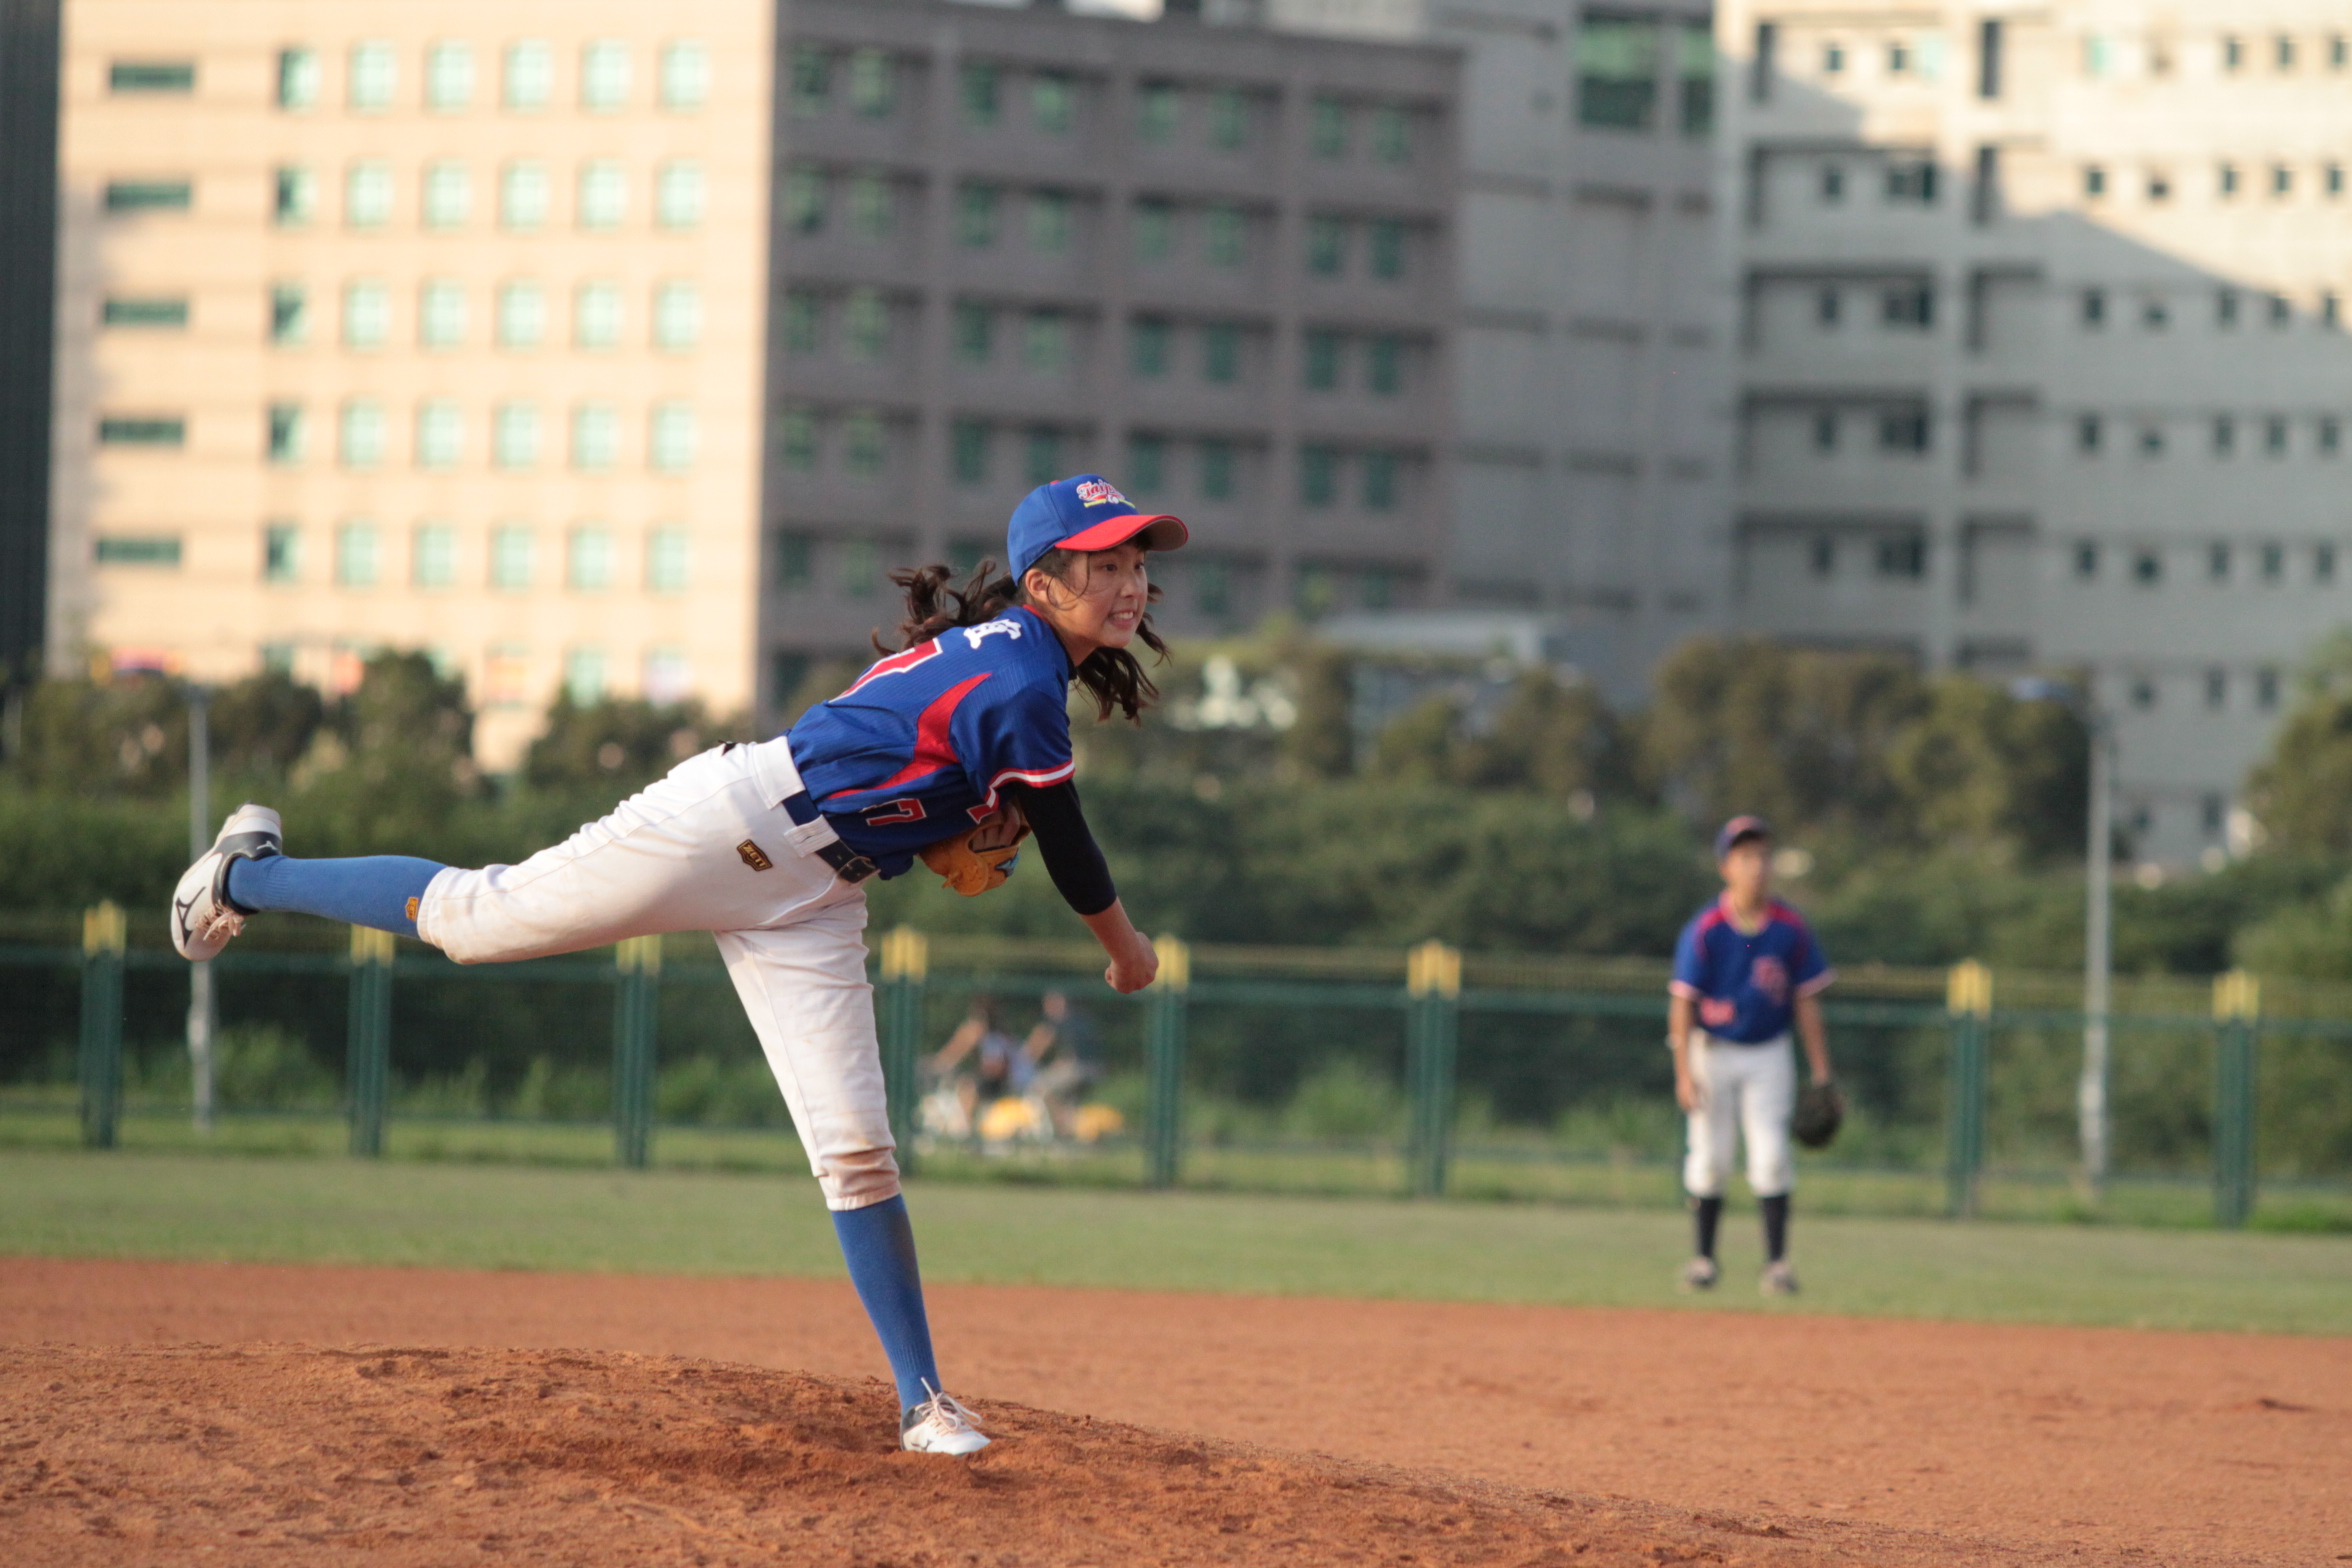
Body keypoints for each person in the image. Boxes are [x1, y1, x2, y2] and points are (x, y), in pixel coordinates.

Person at [166, 474, 1186, 1453]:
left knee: (857, 1151)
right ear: (1042, 582)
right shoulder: (1019, 676)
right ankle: (247, 874)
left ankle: (923, 1403)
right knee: (478, 919)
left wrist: (937, 817)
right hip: (730, 826)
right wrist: (1127, 950)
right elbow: (1069, 843)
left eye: (1136, 561)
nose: (1130, 581)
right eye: (1103, 563)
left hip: (818, 896)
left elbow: (918, 774)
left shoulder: (1018, 663)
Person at [1667, 815, 1835, 1297]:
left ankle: (1777, 1265)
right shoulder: (1706, 929)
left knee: (1773, 1158)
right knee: (1709, 1157)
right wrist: (1683, 1072)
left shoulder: (1789, 928)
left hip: (1768, 1052)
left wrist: (1822, 1073)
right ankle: (1703, 1261)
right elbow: (1682, 1003)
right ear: (1726, 867)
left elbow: (1807, 1000)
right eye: (1744, 857)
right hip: (1712, 1050)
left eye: (1762, 855)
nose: (1755, 866)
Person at [1024, 989, 1104, 1137]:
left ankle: (1048, 1135)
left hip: (1078, 1069)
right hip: (1096, 1070)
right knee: (1065, 1101)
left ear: (1059, 1002)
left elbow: (1033, 1052)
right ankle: (1072, 1136)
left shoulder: (1059, 1021)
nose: (1046, 1009)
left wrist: (1024, 1060)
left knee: (1039, 1089)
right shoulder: (1080, 1018)